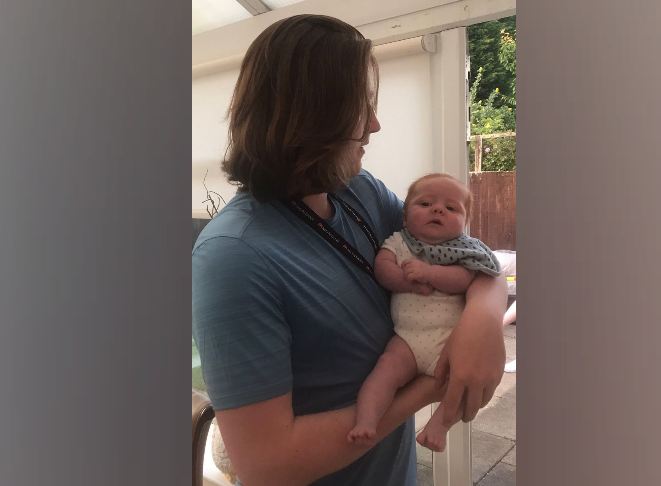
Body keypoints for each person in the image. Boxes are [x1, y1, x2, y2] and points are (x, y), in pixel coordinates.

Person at [192, 14, 508, 486]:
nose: (376, 125)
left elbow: (467, 252)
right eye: (361, 108)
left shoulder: (356, 191)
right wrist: (428, 386)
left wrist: (482, 322)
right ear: (312, 118)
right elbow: (266, 465)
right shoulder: (233, 258)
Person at [348, 174, 502, 453]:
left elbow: (465, 280)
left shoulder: (463, 250)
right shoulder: (399, 241)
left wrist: (430, 273)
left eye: (451, 208)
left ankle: (439, 426)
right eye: (426, 203)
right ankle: (367, 420)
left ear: (464, 222)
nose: (438, 210)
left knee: (465, 389)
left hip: (451, 341)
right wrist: (405, 280)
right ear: (405, 218)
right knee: (384, 371)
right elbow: (382, 269)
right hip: (406, 338)